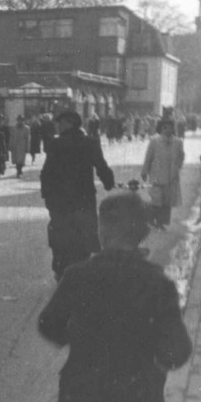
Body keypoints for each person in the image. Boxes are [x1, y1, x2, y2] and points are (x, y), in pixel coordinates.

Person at [39, 192, 192, 402]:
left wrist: (82, 336)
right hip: (137, 401)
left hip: (83, 400)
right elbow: (178, 351)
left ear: (103, 230)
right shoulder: (158, 284)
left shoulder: (78, 276)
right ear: (142, 233)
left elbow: (49, 325)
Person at [40, 110, 115, 281]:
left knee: (60, 233)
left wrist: (47, 195)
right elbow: (101, 166)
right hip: (83, 197)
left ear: (70, 123)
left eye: (60, 123)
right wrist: (108, 182)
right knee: (84, 232)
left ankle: (61, 268)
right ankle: (83, 267)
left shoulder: (56, 144)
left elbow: (46, 172)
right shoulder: (90, 142)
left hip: (59, 200)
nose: (58, 126)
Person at [141, 119, 185, 230]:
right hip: (157, 174)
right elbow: (148, 157)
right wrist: (144, 171)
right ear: (161, 128)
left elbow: (181, 156)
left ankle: (162, 221)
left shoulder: (178, 142)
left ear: (173, 128)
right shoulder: (154, 141)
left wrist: (178, 166)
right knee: (157, 199)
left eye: (170, 127)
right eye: (165, 127)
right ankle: (154, 220)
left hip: (171, 176)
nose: (167, 130)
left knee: (167, 200)